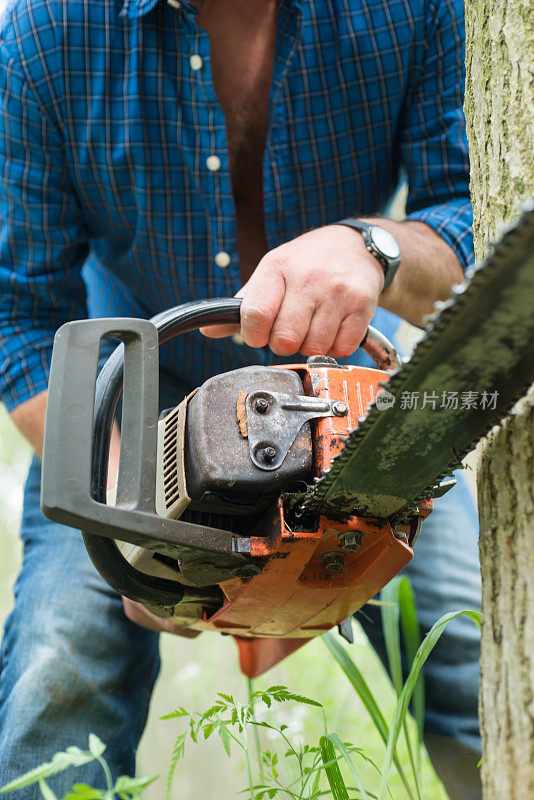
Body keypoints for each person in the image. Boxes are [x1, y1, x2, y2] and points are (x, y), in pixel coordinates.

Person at [0, 0, 481, 797]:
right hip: (132, 420)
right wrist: (136, 525)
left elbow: (477, 228)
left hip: (351, 411)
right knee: (59, 675)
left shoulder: (416, 7)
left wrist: (377, 248)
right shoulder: (48, 33)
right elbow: (19, 319)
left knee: (473, 651)